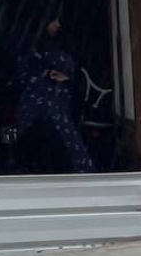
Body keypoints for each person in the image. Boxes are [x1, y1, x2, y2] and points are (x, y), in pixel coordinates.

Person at [16, 11, 95, 173]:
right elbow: (24, 75)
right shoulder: (30, 50)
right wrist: (46, 75)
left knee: (65, 142)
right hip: (38, 106)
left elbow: (71, 75)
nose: (57, 25)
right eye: (54, 21)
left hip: (59, 105)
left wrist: (65, 79)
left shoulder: (62, 45)